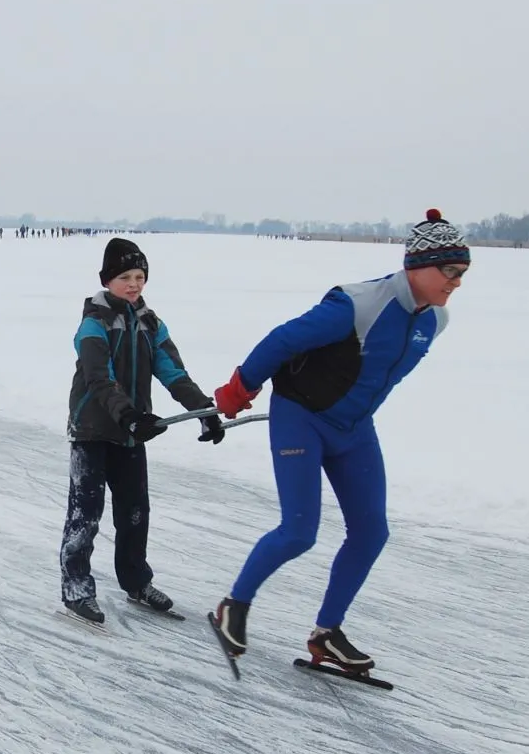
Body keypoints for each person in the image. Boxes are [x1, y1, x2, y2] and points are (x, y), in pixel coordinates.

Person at [211, 210, 467, 672]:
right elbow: (283, 340)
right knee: (299, 531)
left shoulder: (436, 321)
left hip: (354, 429)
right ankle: (234, 605)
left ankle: (326, 634)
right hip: (300, 419)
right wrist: (240, 387)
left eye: (462, 273)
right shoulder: (359, 303)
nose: (457, 282)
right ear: (418, 265)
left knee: (372, 532)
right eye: (450, 271)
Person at [60, 238, 222, 624]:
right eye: (124, 277)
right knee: (87, 514)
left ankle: (135, 582)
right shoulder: (93, 324)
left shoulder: (150, 323)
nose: (134, 284)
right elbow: (101, 381)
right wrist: (130, 414)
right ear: (107, 279)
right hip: (93, 431)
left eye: (139, 276)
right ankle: (76, 587)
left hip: (131, 432)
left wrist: (203, 409)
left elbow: (173, 373)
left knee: (135, 512)